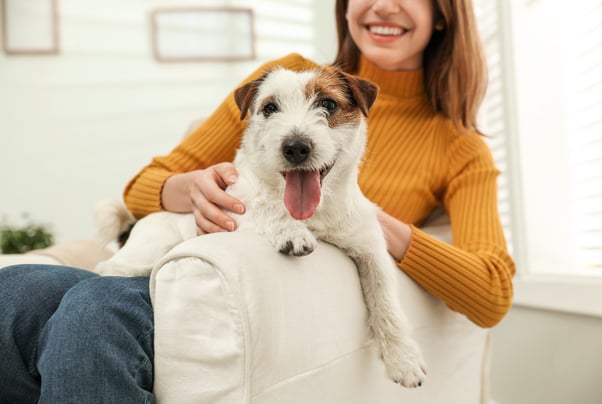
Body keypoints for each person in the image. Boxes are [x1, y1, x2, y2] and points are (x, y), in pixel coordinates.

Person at [0, 0, 515, 401]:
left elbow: (491, 293)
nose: (382, 5)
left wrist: (379, 226)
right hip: (189, 246)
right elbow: (145, 186)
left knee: (94, 308)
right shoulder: (281, 76)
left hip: (245, 290)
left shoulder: (458, 147)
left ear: (443, 13)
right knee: (14, 290)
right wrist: (191, 187)